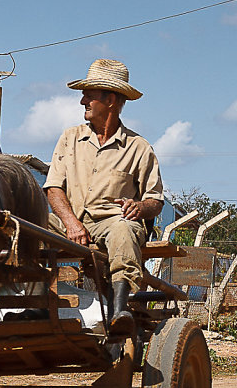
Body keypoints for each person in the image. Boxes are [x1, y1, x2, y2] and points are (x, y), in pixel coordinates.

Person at [43, 59, 163, 326]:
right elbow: (53, 188)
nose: (82, 101)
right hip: (68, 224)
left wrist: (141, 208)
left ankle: (119, 309)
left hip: (111, 224)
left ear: (110, 100)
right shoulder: (69, 138)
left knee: (125, 229)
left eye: (90, 95)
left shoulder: (139, 147)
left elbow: (155, 200)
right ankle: (31, 301)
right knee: (25, 227)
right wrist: (72, 222)